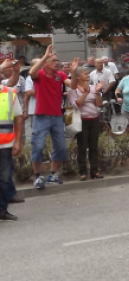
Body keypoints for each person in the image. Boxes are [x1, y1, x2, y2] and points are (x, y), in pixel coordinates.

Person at [28, 45, 79, 190]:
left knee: (61, 147)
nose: (57, 63)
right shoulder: (40, 75)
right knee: (37, 146)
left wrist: (74, 72)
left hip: (57, 116)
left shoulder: (60, 75)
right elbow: (32, 72)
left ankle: (52, 174)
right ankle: (37, 176)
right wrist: (45, 56)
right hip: (41, 116)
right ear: (45, 64)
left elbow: (73, 86)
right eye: (53, 60)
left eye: (57, 60)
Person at [67, 68, 104, 181]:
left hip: (94, 119)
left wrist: (97, 92)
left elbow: (99, 103)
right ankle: (82, 172)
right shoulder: (72, 90)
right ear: (78, 77)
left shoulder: (93, 88)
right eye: (85, 74)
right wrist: (84, 94)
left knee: (94, 147)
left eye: (88, 73)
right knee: (82, 147)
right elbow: (76, 105)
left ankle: (94, 171)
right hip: (81, 120)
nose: (88, 75)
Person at [0, 78, 23, 221]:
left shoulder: (9, 93)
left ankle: (2, 211)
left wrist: (18, 142)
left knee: (4, 179)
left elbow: (18, 118)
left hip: (6, 144)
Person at [23, 58, 39, 145]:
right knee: (36, 132)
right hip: (35, 109)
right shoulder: (30, 78)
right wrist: (45, 90)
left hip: (49, 110)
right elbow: (28, 92)